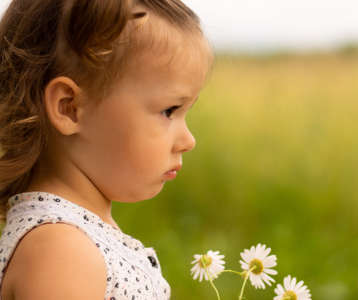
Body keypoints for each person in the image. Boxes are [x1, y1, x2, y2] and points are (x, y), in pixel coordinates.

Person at [0, 0, 213, 299]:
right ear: (70, 108)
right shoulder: (62, 251)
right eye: (169, 111)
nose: (188, 140)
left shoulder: (77, 235)